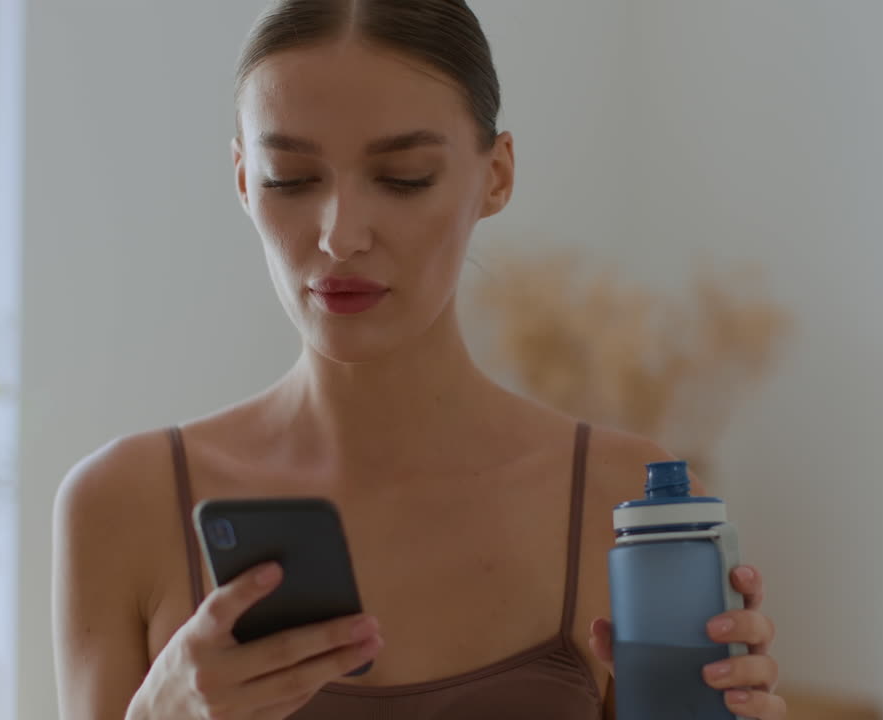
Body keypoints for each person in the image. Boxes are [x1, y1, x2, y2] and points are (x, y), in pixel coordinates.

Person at [51, 1, 784, 718]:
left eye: (404, 177)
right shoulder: (121, 509)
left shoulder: (620, 503)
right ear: (245, 180)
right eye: (291, 178)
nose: (341, 235)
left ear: (495, 175)